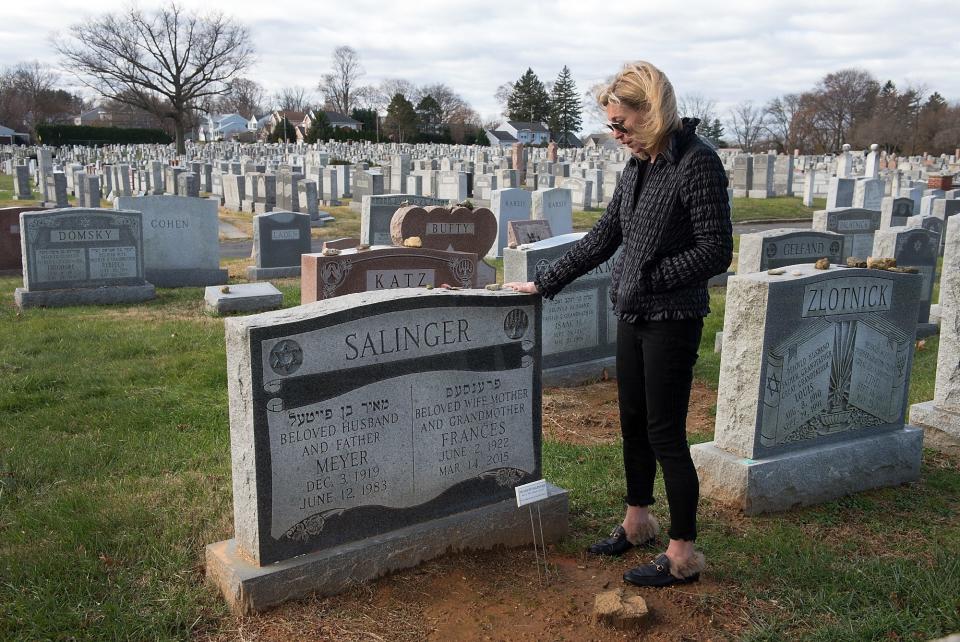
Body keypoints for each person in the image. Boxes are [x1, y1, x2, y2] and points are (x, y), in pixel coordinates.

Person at [504, 60, 732, 587]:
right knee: (632, 421)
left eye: (622, 123)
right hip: (634, 312)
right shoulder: (640, 166)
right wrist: (545, 281)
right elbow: (605, 236)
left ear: (651, 112)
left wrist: (650, 276)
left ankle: (683, 555)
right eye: (611, 125)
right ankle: (638, 522)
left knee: (665, 433)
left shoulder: (697, 163)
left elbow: (716, 250)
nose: (616, 134)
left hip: (673, 317)